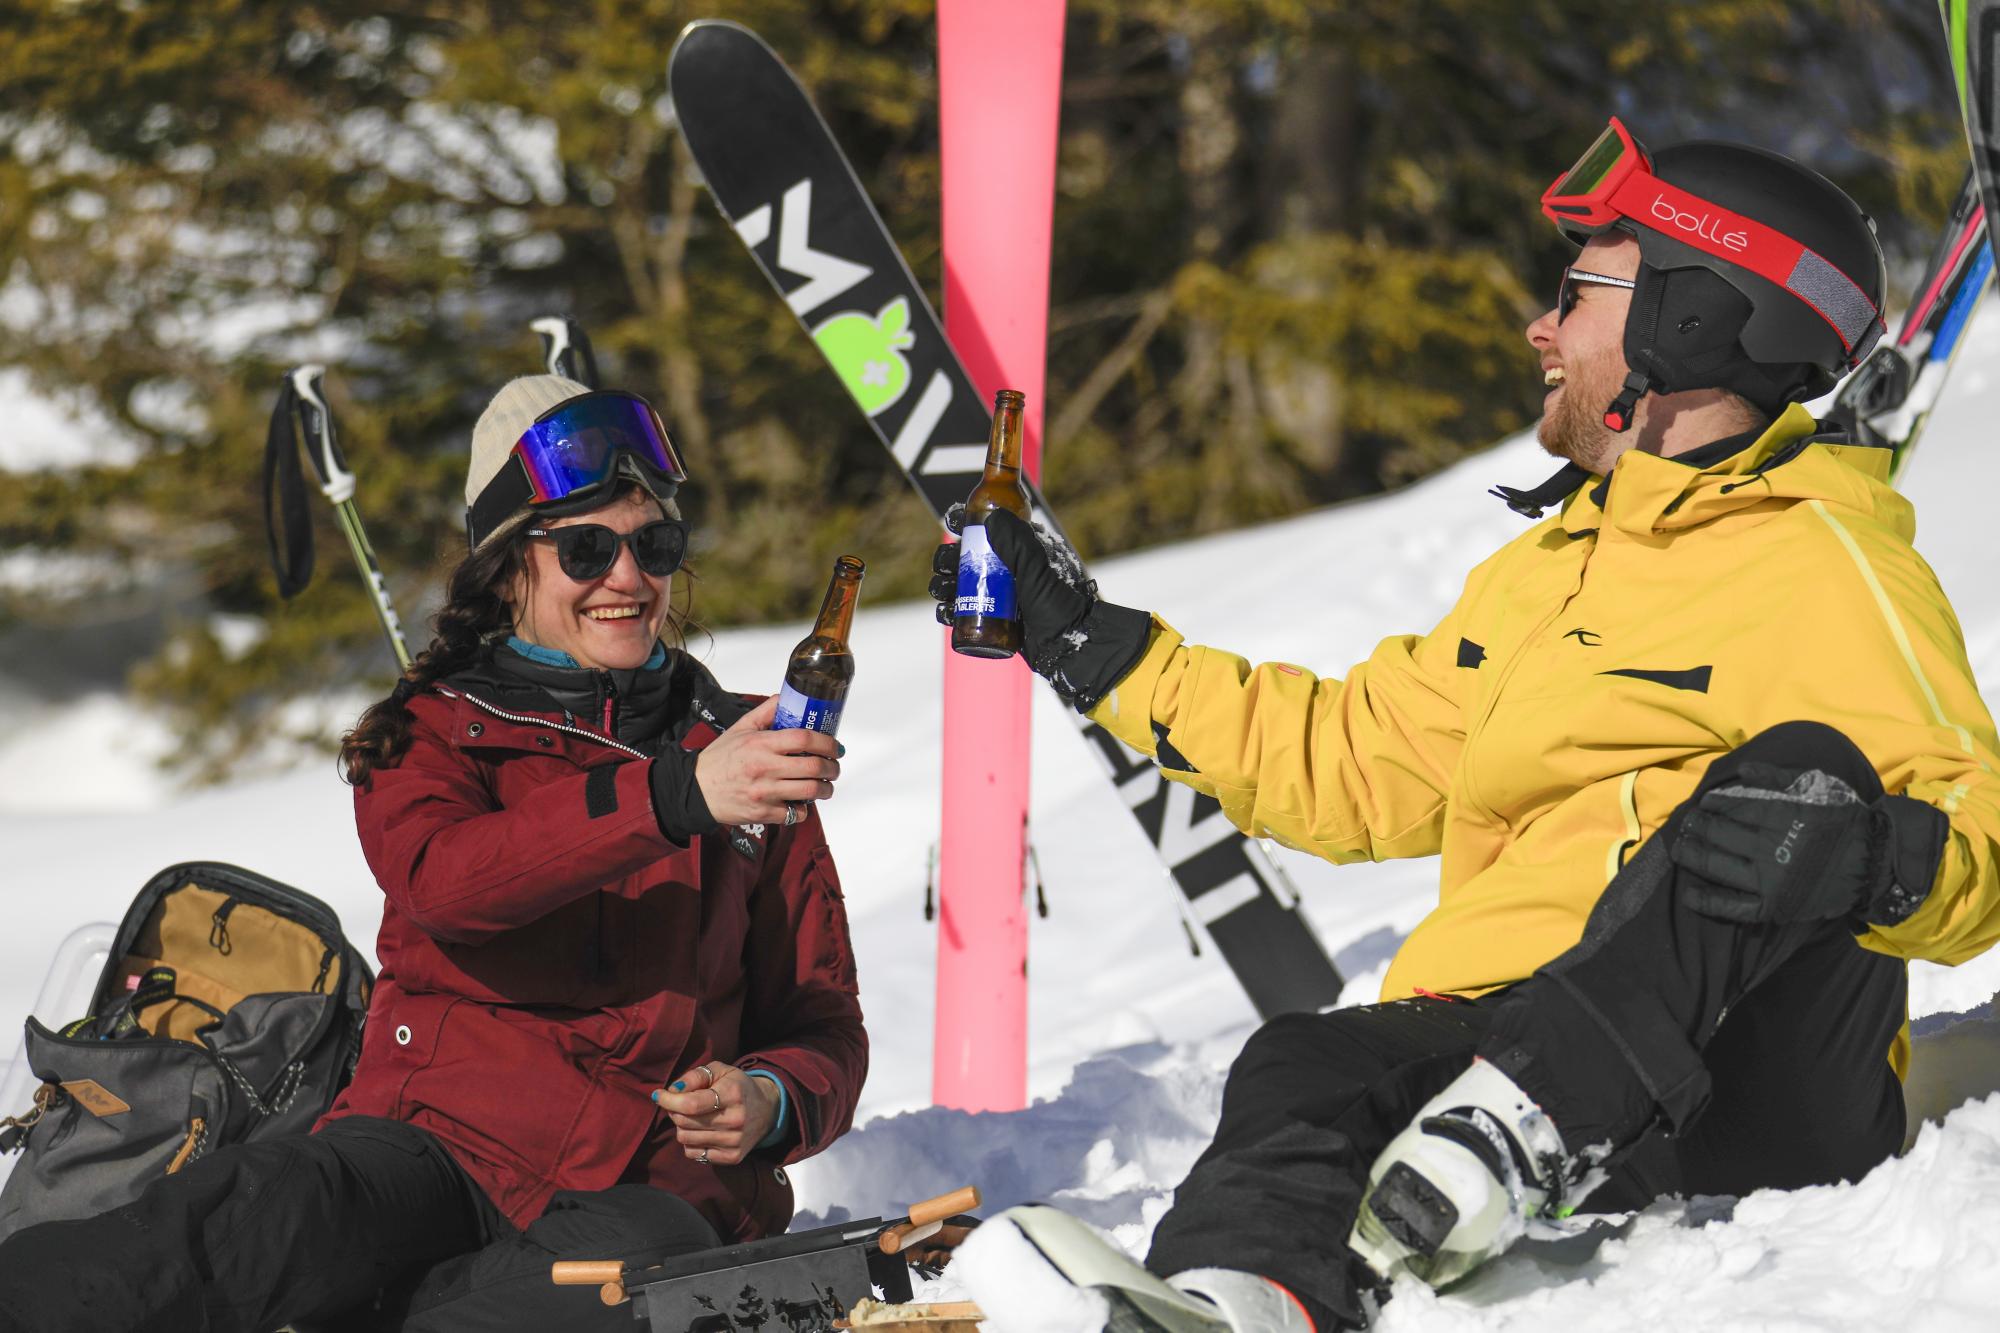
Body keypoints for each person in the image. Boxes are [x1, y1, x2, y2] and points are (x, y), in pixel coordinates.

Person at [934, 120, 2000, 1332]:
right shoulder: (1542, 574)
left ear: (1690, 316)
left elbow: (1981, 825)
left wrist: (1879, 856)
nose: (1538, 330)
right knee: (1296, 1065)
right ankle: (1236, 1305)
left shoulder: (1820, 562)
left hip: (1732, 1074)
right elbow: (1349, 767)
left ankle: (1525, 1120)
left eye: (1575, 293)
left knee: (1794, 784)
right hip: (1501, 1051)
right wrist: (1089, 641)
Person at [0, 376, 866, 1331]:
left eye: (652, 543)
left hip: (648, 1187)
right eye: (586, 546)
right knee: (244, 1223)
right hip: (434, 1142)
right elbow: (451, 882)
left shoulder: (743, 754)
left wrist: (772, 1097)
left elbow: (822, 1020)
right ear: (509, 566)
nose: (627, 576)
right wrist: (674, 795)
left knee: (596, 1290)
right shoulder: (434, 731)